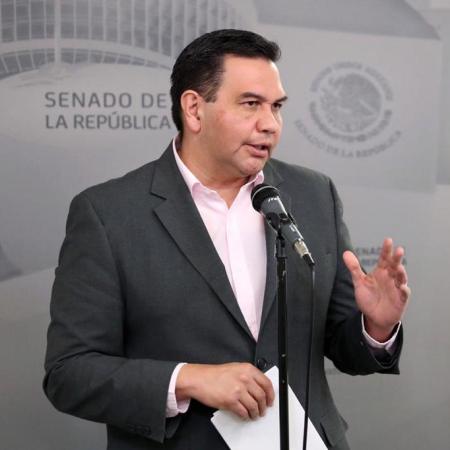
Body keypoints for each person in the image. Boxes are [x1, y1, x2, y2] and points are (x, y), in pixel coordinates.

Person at [44, 29, 410, 450]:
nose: (270, 124)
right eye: (251, 104)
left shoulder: (314, 194)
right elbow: (69, 373)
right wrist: (188, 379)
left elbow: (344, 348)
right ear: (194, 109)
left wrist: (376, 327)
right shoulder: (108, 214)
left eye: (276, 106)